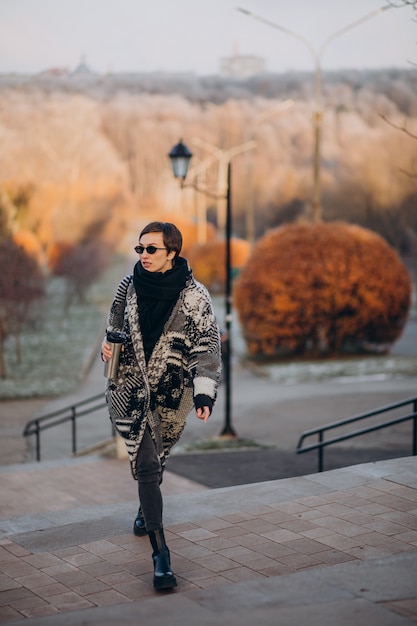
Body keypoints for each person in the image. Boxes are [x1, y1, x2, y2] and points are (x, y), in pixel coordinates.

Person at [101, 221, 221, 591]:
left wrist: (204, 393)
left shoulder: (195, 296)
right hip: (128, 391)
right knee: (146, 461)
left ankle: (144, 508)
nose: (144, 256)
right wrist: (107, 348)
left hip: (172, 394)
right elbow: (113, 329)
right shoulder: (128, 286)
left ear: (172, 252)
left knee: (157, 459)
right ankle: (161, 554)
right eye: (140, 249)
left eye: (152, 249)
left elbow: (207, 346)